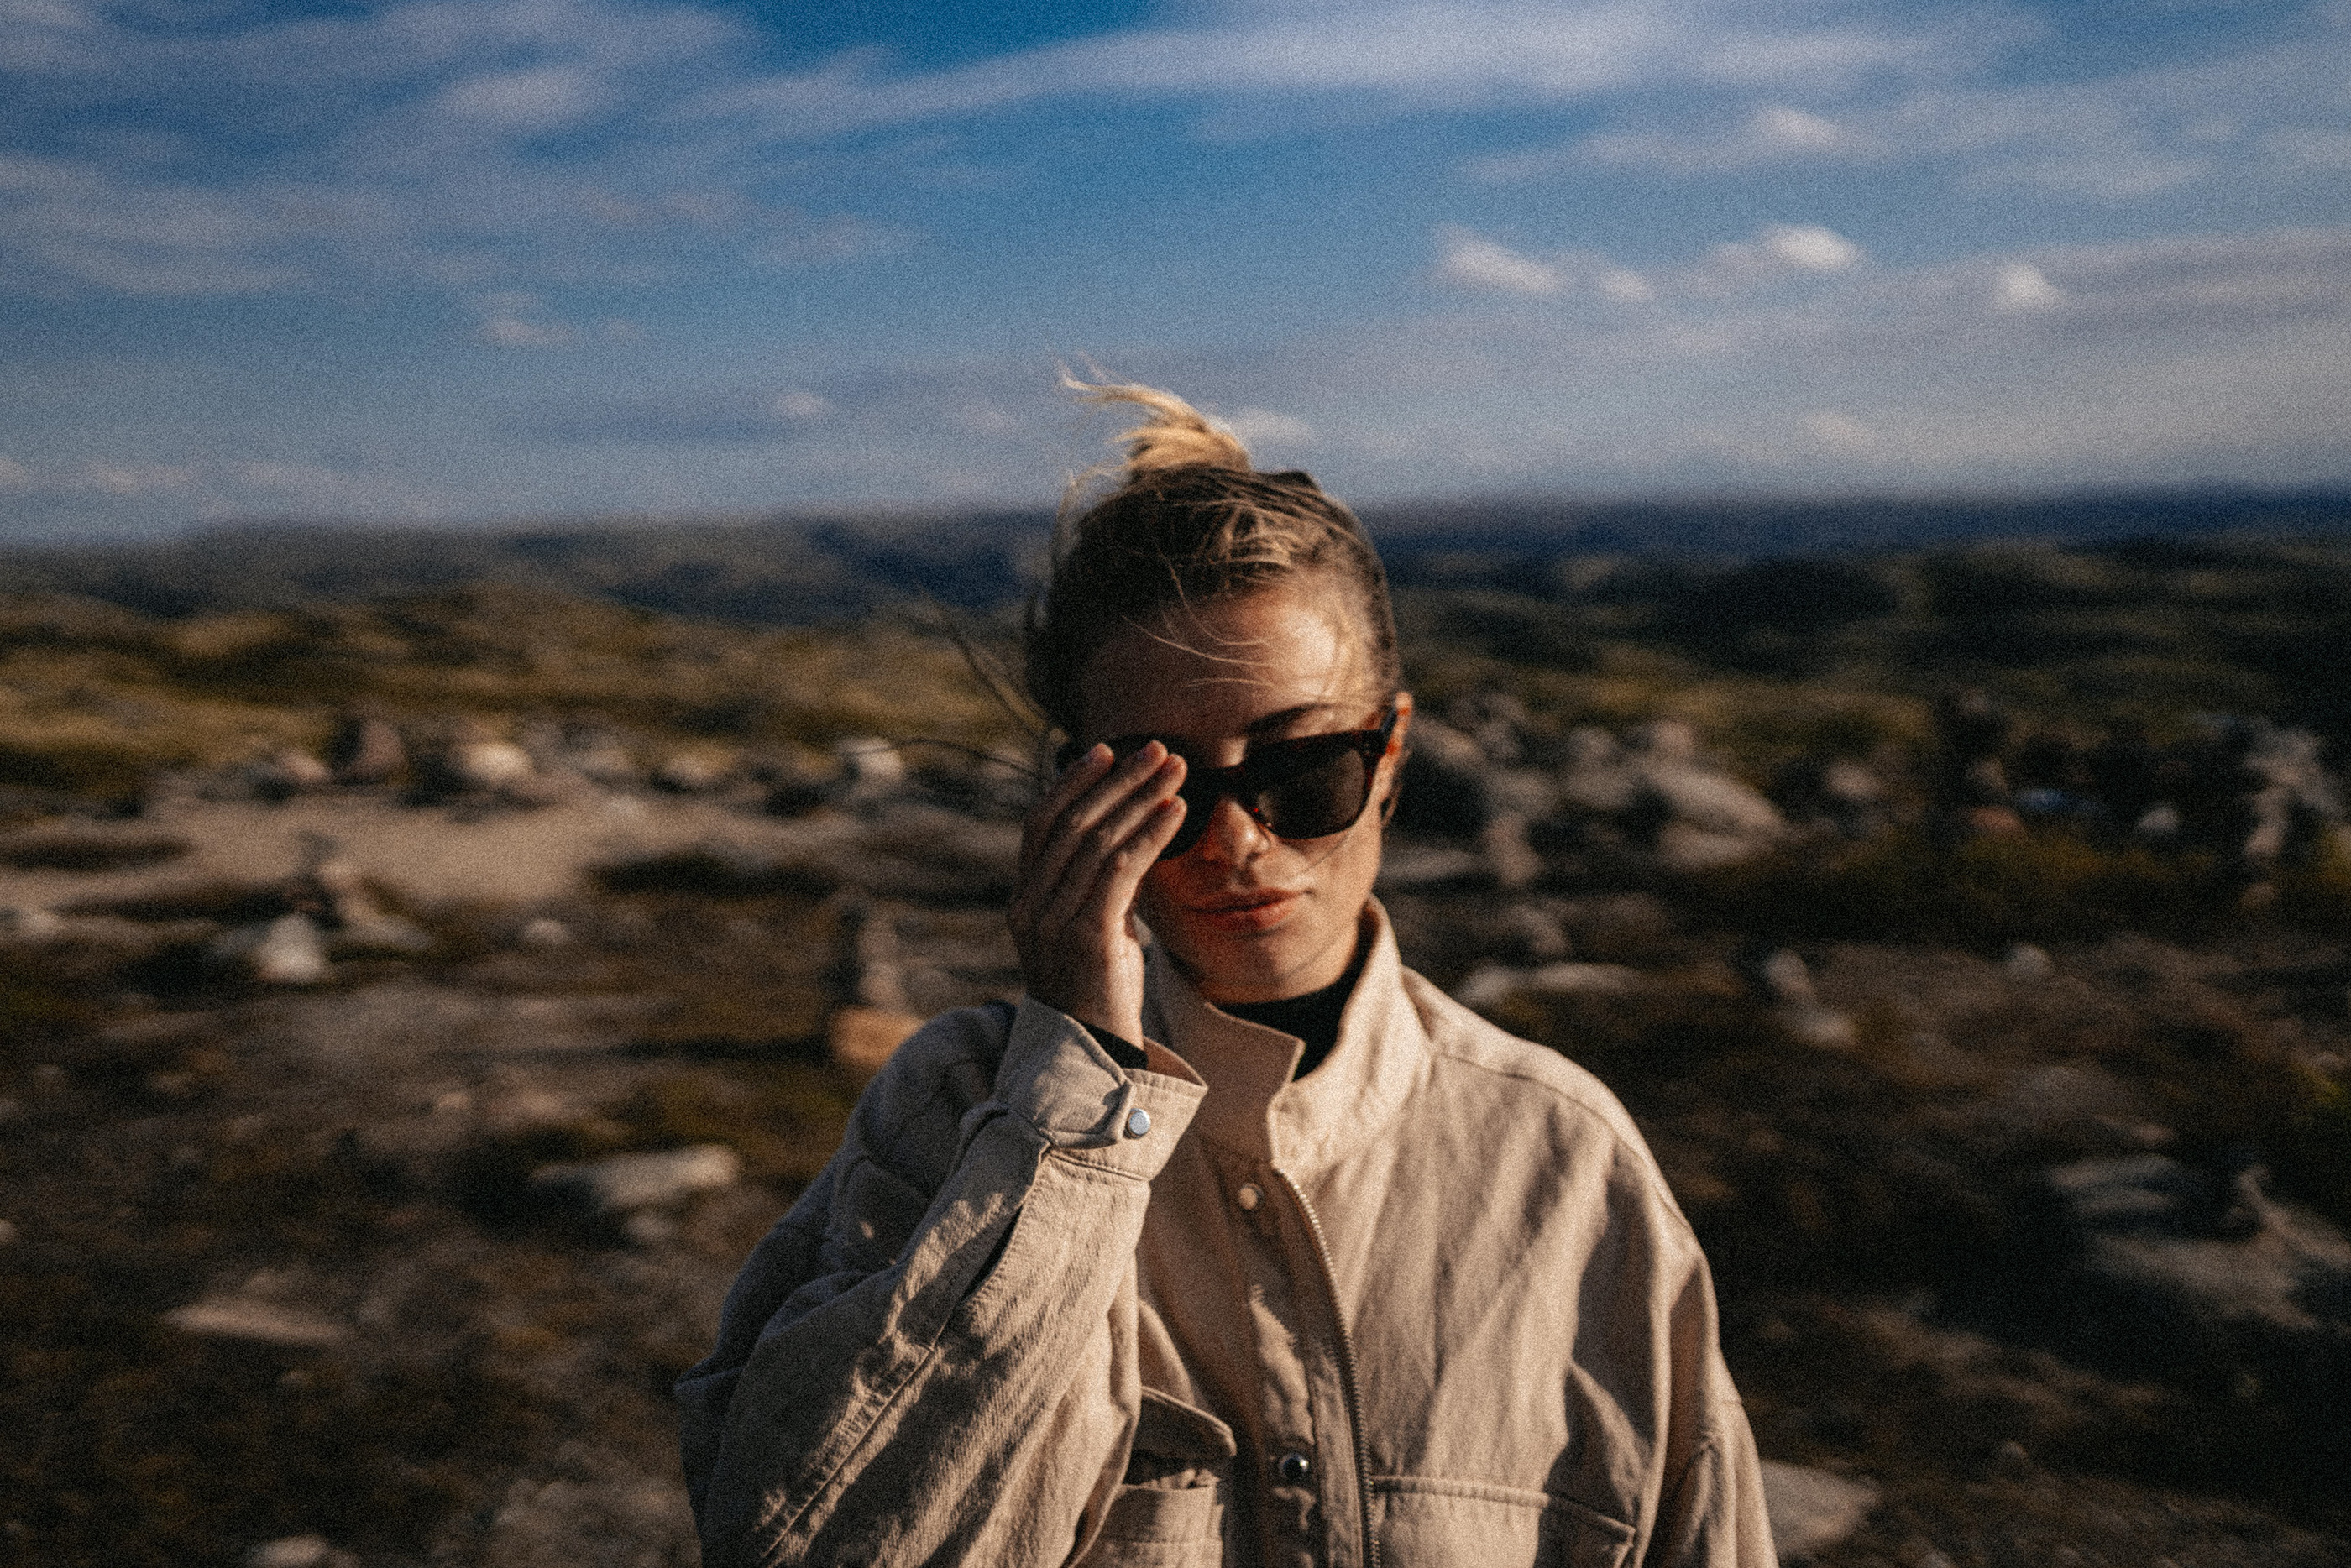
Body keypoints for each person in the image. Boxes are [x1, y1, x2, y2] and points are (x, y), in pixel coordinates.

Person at [677, 381, 1776, 1566]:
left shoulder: (1567, 1160)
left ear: (1391, 756)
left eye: (1304, 772)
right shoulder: (954, 1117)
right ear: (1079, 794)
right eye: (1165, 788)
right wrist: (1075, 1099)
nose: (1240, 841)